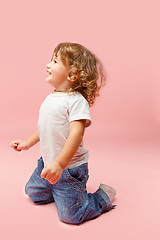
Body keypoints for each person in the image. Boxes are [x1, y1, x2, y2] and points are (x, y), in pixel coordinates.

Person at [10, 42, 117, 225]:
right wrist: (28, 142)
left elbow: (76, 134)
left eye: (55, 61)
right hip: (48, 164)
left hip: (69, 169)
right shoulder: (51, 98)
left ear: (72, 75)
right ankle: (57, 190)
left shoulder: (76, 101)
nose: (48, 65)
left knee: (71, 216)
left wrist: (60, 164)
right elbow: (44, 126)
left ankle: (102, 197)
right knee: (33, 193)